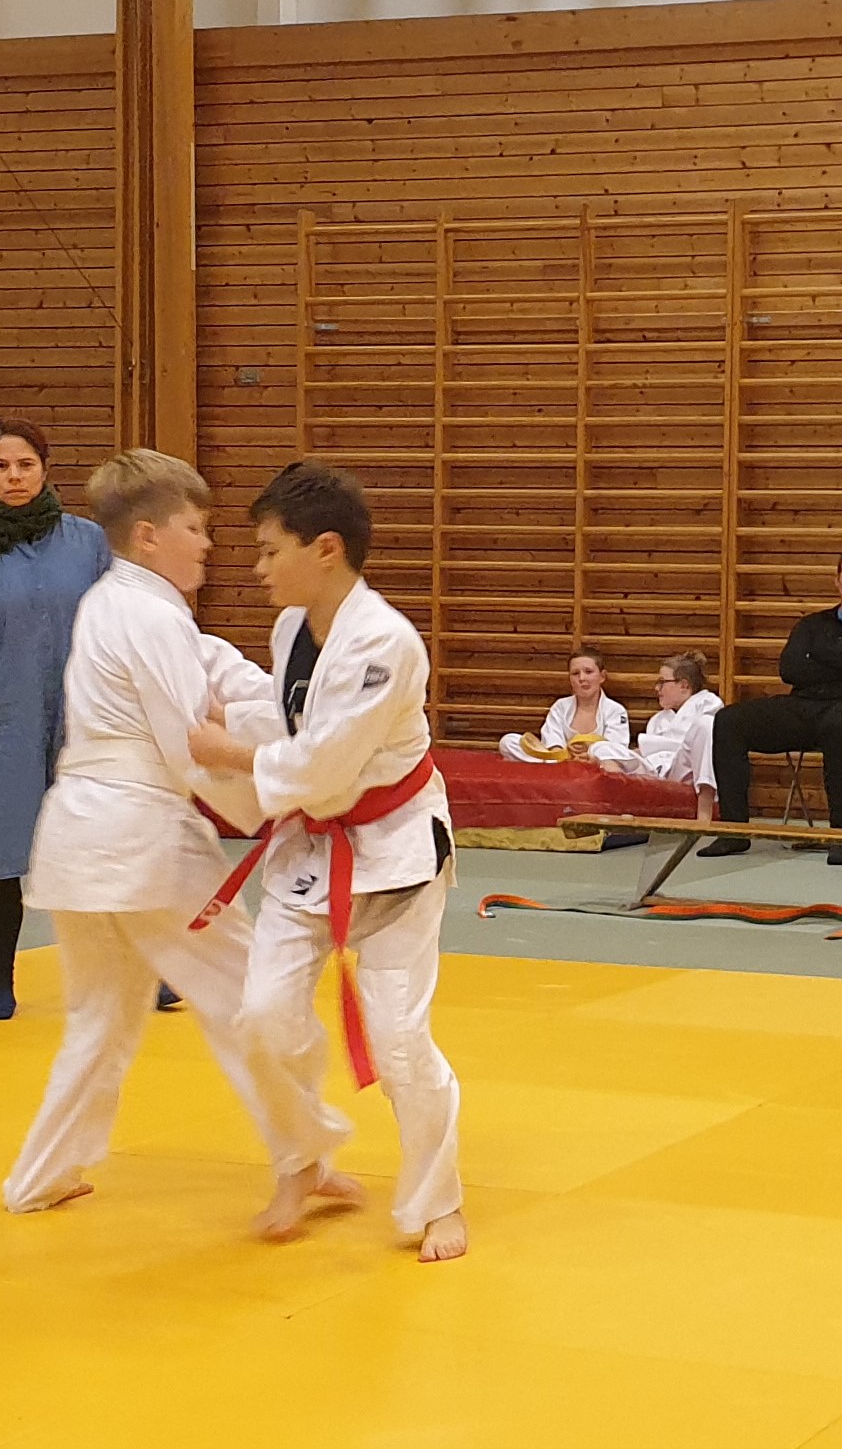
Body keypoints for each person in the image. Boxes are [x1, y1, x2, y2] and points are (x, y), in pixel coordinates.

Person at [2, 450, 354, 1215]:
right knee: (247, 996)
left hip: (77, 838)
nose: (207, 543)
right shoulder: (152, 615)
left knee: (100, 1017)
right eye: (194, 527)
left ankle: (39, 1176)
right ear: (148, 535)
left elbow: (216, 675)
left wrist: (292, 715)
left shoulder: (112, 604)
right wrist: (296, 789)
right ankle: (303, 1152)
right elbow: (189, 743)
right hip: (140, 838)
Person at [188, 460, 467, 1263]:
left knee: (398, 1039)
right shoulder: (291, 629)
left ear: (325, 548)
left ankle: (438, 1202)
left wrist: (224, 750)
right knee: (261, 1016)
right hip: (314, 844)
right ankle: (304, 1158)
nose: (257, 566)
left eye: (269, 549)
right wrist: (233, 714)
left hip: (395, 849)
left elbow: (321, 763)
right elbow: (295, 720)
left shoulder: (383, 642)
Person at [0, 419, 113, 1021]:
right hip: (0, 724)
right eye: (1, 466)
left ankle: (145, 973)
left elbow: (124, 630)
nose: (14, 477)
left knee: (106, 850)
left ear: (46, 468)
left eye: (25, 465)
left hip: (85, 722)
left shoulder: (90, 543)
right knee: (0, 856)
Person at [700, 546, 842, 864]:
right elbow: (791, 669)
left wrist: (822, 653)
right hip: (808, 706)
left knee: (839, 723)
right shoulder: (812, 624)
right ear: (837, 581)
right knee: (729, 720)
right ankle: (733, 831)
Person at [594, 651, 723, 814]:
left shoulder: (707, 703)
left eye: (662, 682)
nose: (657, 688)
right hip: (658, 774)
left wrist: (647, 746)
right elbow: (651, 754)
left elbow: (693, 745)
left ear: (684, 685)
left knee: (706, 725)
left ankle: (705, 809)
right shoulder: (658, 719)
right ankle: (622, 806)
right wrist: (633, 753)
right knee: (600, 748)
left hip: (686, 769)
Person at [497, 644, 629, 762]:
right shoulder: (560, 706)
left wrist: (590, 749)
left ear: (602, 676)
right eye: (575, 673)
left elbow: (616, 747)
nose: (582, 678)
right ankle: (554, 765)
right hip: (560, 761)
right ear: (570, 678)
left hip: (595, 762)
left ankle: (552, 766)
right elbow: (551, 738)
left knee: (619, 757)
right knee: (508, 741)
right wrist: (559, 751)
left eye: (588, 672)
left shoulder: (616, 710)